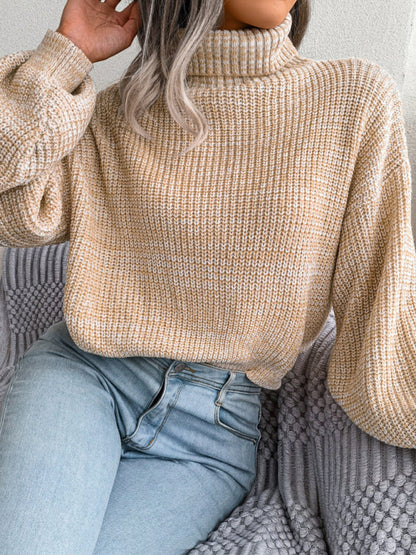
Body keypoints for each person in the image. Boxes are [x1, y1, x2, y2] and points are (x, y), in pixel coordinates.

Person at [0, 0, 415, 553]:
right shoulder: (118, 113)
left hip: (211, 439)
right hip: (85, 379)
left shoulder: (353, 100)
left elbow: (382, 310)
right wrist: (67, 53)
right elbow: (13, 211)